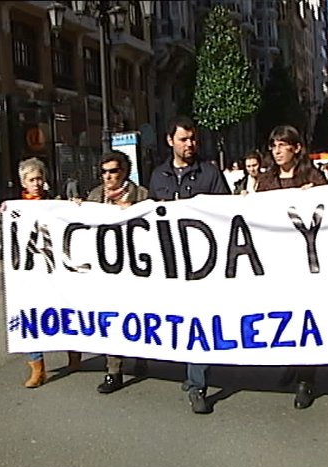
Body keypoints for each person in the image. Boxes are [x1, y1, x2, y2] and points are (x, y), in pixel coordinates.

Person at [148, 115, 231, 414]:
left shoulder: (210, 174)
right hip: (170, 265)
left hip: (202, 265)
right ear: (170, 141)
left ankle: (197, 385)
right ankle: (189, 370)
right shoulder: (158, 177)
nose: (190, 144)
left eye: (193, 138)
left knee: (198, 321)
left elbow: (227, 214)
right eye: (183, 139)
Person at [255, 125, 328, 410]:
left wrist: (315, 197)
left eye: (282, 145)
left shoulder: (313, 177)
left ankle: (306, 379)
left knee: (306, 316)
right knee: (284, 315)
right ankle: (291, 361)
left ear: (296, 148)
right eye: (273, 146)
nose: (276, 150)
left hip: (306, 262)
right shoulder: (266, 179)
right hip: (277, 262)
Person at [12, 157, 83, 387]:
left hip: (55, 269)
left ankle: (74, 355)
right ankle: (37, 368)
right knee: (31, 316)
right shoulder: (16, 208)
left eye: (39, 178)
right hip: (31, 272)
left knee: (65, 310)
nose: (36, 183)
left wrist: (75, 206)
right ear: (23, 182)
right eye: (32, 179)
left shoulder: (55, 204)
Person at [84, 151, 150, 394]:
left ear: (124, 171)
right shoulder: (94, 197)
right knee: (111, 317)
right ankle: (114, 372)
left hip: (135, 269)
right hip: (105, 270)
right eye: (104, 172)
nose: (109, 176)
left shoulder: (142, 195)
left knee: (139, 314)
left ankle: (143, 352)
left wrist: (131, 210)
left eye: (114, 171)